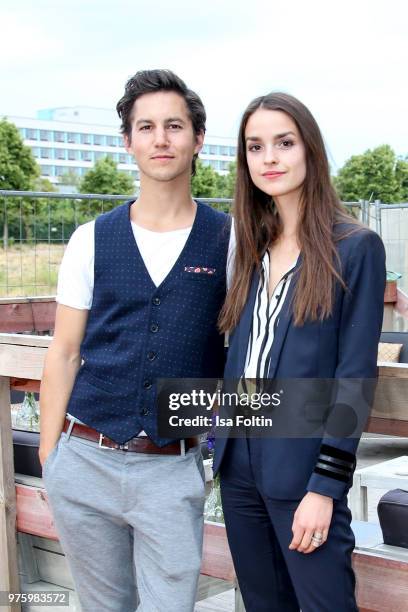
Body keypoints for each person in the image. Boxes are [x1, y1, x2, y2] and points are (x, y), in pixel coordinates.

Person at [39, 69, 233, 612]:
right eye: (146, 127)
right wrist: (53, 458)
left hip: (170, 466)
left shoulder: (230, 239)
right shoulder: (90, 239)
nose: (161, 138)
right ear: (128, 141)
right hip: (85, 459)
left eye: (175, 125)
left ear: (197, 138)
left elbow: (245, 349)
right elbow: (65, 351)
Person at [213, 92, 386, 611]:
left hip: (304, 470)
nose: (269, 158)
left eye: (284, 143)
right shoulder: (251, 247)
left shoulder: (354, 247)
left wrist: (325, 488)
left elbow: (355, 377)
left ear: (309, 149)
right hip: (238, 466)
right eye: (255, 146)